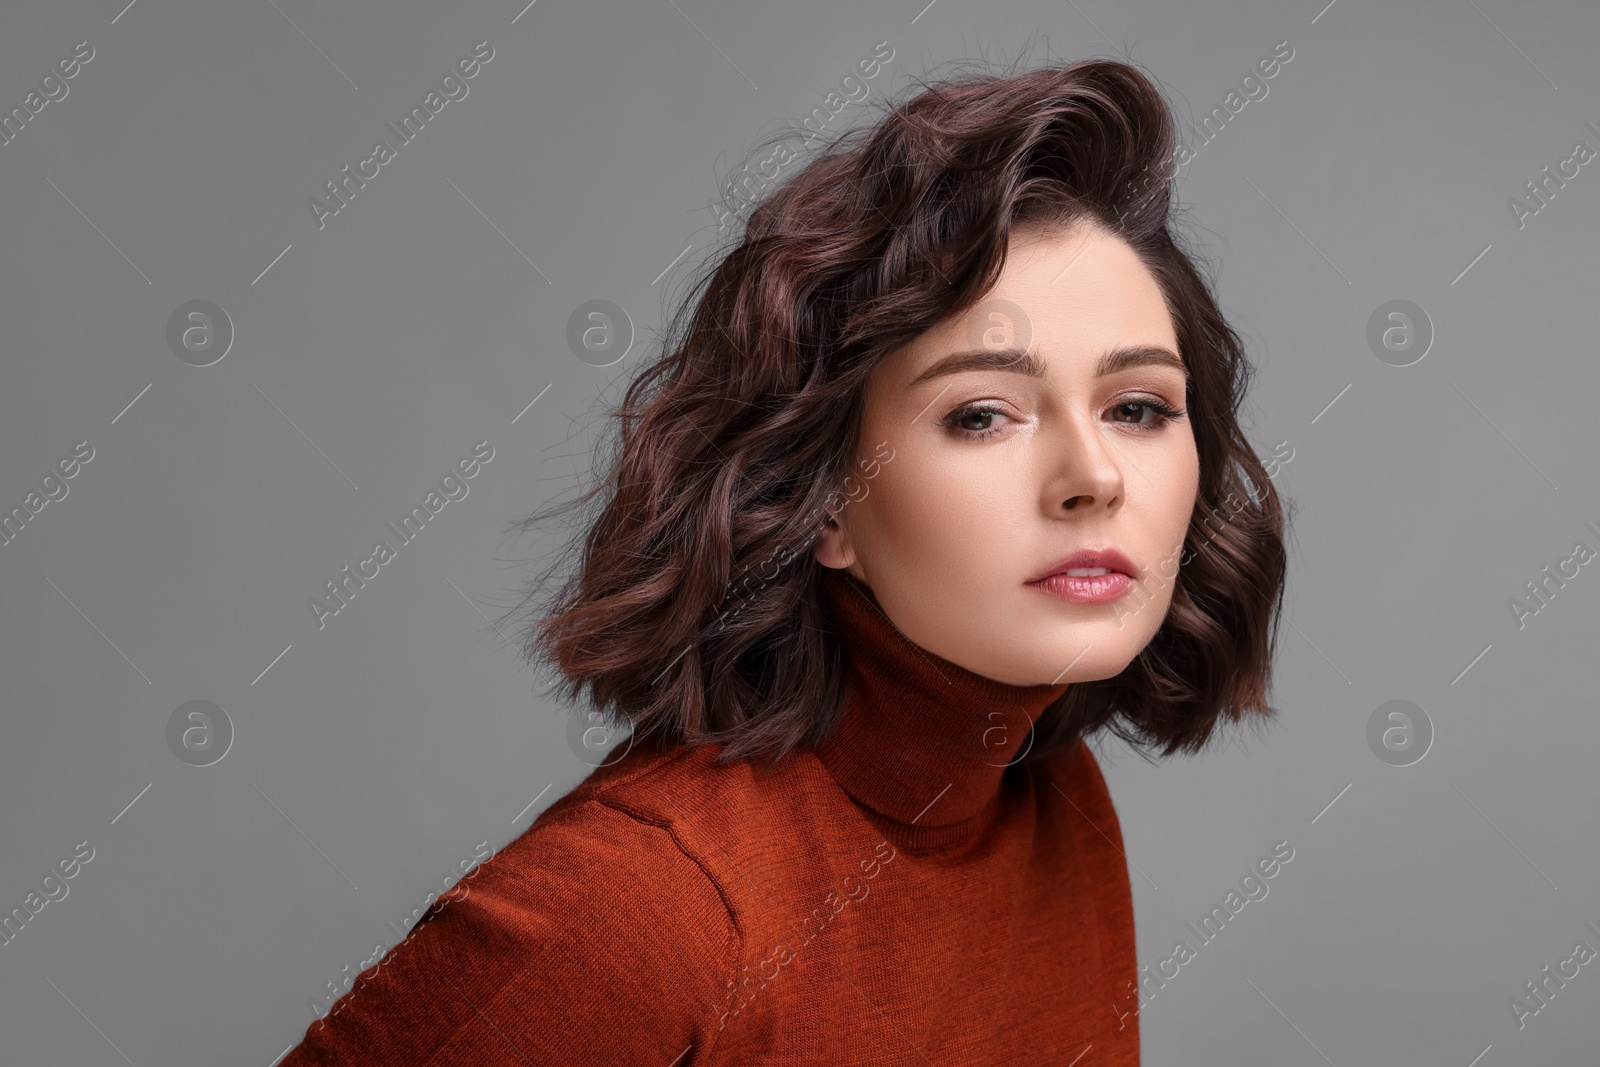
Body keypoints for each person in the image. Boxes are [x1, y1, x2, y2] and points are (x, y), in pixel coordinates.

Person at [278, 55, 1286, 1066]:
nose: (1094, 474)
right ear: (824, 500)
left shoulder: (1053, 801)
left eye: (1139, 407)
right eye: (982, 414)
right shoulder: (648, 905)